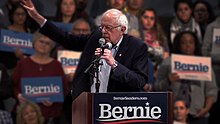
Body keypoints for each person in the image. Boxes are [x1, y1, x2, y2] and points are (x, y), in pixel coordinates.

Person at [20, 0, 149, 100]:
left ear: (122, 29)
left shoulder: (136, 47)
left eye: (108, 28)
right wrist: (37, 17)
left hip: (117, 107)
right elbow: (66, 39)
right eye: (102, 27)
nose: (103, 31)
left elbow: (139, 81)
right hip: (88, 103)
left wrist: (114, 64)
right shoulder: (97, 37)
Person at [153, 31, 218, 124]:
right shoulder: (168, 63)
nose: (188, 45)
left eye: (191, 42)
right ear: (178, 45)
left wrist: (206, 108)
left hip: (198, 114)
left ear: (195, 45)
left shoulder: (204, 63)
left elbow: (211, 90)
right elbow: (156, 88)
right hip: (174, 114)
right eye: (184, 42)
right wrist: (168, 81)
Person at [12, 32, 69, 124]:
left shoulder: (57, 65)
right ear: (34, 43)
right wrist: (18, 95)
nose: (44, 45)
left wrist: (54, 100)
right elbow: (12, 85)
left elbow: (65, 90)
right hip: (26, 115)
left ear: (51, 47)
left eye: (47, 43)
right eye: (41, 41)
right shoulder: (23, 63)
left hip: (50, 114)